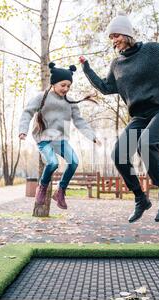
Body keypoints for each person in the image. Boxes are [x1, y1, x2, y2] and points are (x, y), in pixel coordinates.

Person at [79, 12, 159, 223]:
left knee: (146, 144)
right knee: (118, 155)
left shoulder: (152, 50)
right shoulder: (117, 65)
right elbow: (106, 88)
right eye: (111, 37)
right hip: (139, 116)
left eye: (116, 35)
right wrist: (86, 68)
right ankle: (141, 199)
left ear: (126, 33)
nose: (113, 41)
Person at [19, 63, 100, 210]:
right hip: (44, 138)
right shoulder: (41, 97)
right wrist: (23, 130)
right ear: (54, 83)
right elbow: (27, 112)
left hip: (61, 140)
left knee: (74, 162)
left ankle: (60, 191)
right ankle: (42, 188)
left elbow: (79, 121)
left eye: (69, 86)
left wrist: (92, 136)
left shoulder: (70, 102)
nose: (66, 89)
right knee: (52, 163)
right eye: (63, 85)